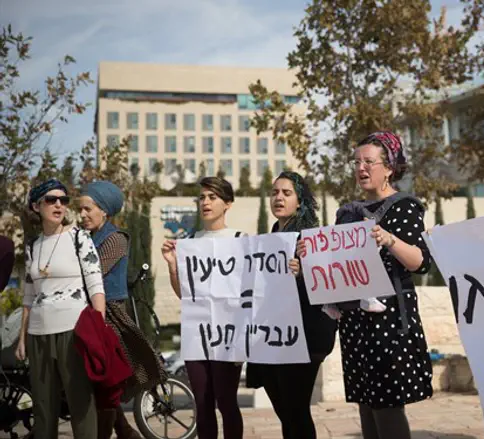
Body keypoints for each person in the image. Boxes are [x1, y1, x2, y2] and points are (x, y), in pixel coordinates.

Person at [300, 131, 433, 439]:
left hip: (388, 320)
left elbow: (421, 262)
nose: (361, 168)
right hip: (355, 321)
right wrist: (310, 258)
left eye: (369, 162)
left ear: (389, 168)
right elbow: (336, 265)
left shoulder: (405, 207)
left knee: (387, 404)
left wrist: (388, 239)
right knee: (366, 402)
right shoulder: (347, 212)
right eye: (356, 161)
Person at [245, 171, 337, 439]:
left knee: (295, 408)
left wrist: (303, 272)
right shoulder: (272, 236)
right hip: (274, 333)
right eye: (275, 193)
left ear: (300, 201)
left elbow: (328, 281)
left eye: (286, 193)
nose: (278, 198)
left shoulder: (312, 236)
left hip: (306, 335)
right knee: (284, 409)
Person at [16, 179, 106, 439]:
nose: (59, 205)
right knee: (43, 408)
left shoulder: (79, 238)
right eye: (51, 200)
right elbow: (29, 295)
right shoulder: (32, 246)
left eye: (63, 200)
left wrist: (98, 329)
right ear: (36, 205)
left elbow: (95, 285)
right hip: (37, 334)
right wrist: (22, 337)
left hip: (74, 331)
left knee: (81, 405)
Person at [79, 180, 167, 439]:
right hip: (89, 314)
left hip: (111, 317)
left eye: (88, 209)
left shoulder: (116, 239)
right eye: (80, 210)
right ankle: (126, 432)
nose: (82, 215)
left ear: (104, 211)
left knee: (106, 381)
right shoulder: (86, 238)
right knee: (102, 384)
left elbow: (90, 273)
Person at [161, 176, 246, 439]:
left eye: (212, 197)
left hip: (228, 336)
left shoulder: (241, 240)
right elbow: (184, 294)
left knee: (226, 401)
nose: (205, 202)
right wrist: (172, 265)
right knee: (202, 402)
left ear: (228, 204)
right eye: (202, 197)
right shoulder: (190, 242)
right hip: (197, 334)